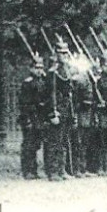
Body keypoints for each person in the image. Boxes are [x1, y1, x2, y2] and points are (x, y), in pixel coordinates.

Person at [43, 49, 72, 181]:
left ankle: (61, 169)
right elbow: (51, 93)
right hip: (56, 110)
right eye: (61, 53)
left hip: (65, 109)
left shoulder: (66, 70)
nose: (65, 56)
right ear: (56, 55)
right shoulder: (53, 73)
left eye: (66, 53)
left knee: (62, 142)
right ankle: (52, 171)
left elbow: (69, 92)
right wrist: (52, 112)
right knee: (53, 142)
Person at [18, 54, 46, 179]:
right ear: (31, 69)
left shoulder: (43, 82)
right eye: (36, 67)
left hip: (40, 117)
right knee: (28, 145)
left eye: (41, 67)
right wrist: (27, 119)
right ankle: (27, 170)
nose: (39, 70)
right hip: (30, 116)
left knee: (35, 145)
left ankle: (34, 170)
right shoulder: (27, 83)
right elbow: (24, 103)